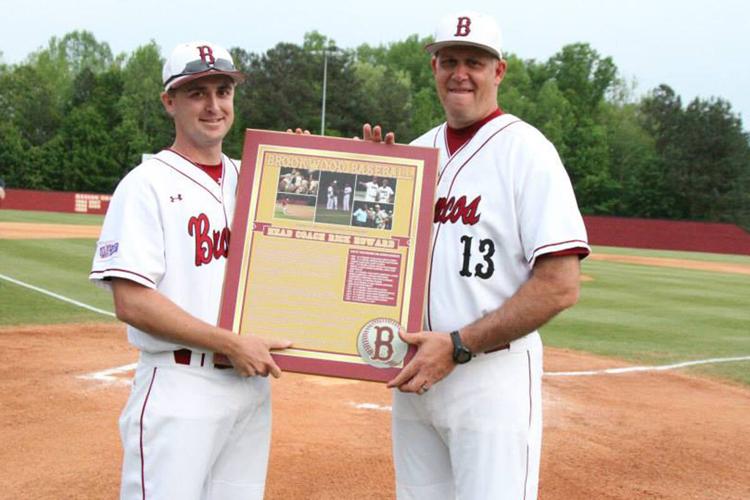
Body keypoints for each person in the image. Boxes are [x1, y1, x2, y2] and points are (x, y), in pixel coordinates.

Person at [385, 12, 590, 500]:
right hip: (415, 376)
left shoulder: (528, 152)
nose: (460, 73)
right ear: (433, 67)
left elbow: (560, 285)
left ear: (499, 71)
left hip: (490, 378)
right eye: (448, 60)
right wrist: (370, 171)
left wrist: (460, 344)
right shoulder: (417, 152)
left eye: (474, 61)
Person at [89, 40, 291, 500]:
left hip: (249, 387)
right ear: (169, 101)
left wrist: (360, 164)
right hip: (179, 384)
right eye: (198, 92)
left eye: (224, 90)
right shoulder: (146, 185)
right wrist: (230, 343)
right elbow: (131, 300)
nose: (214, 105)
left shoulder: (257, 178)